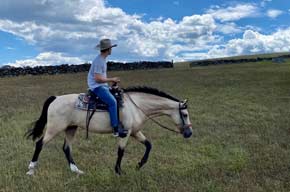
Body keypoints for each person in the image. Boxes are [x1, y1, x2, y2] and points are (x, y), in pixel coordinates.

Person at [87, 39, 127, 137]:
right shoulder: (99, 61)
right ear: (108, 49)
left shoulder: (102, 59)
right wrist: (111, 79)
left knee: (118, 95)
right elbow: (97, 79)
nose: (111, 50)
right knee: (112, 102)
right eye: (111, 48)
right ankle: (115, 128)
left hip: (101, 85)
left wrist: (110, 81)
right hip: (96, 87)